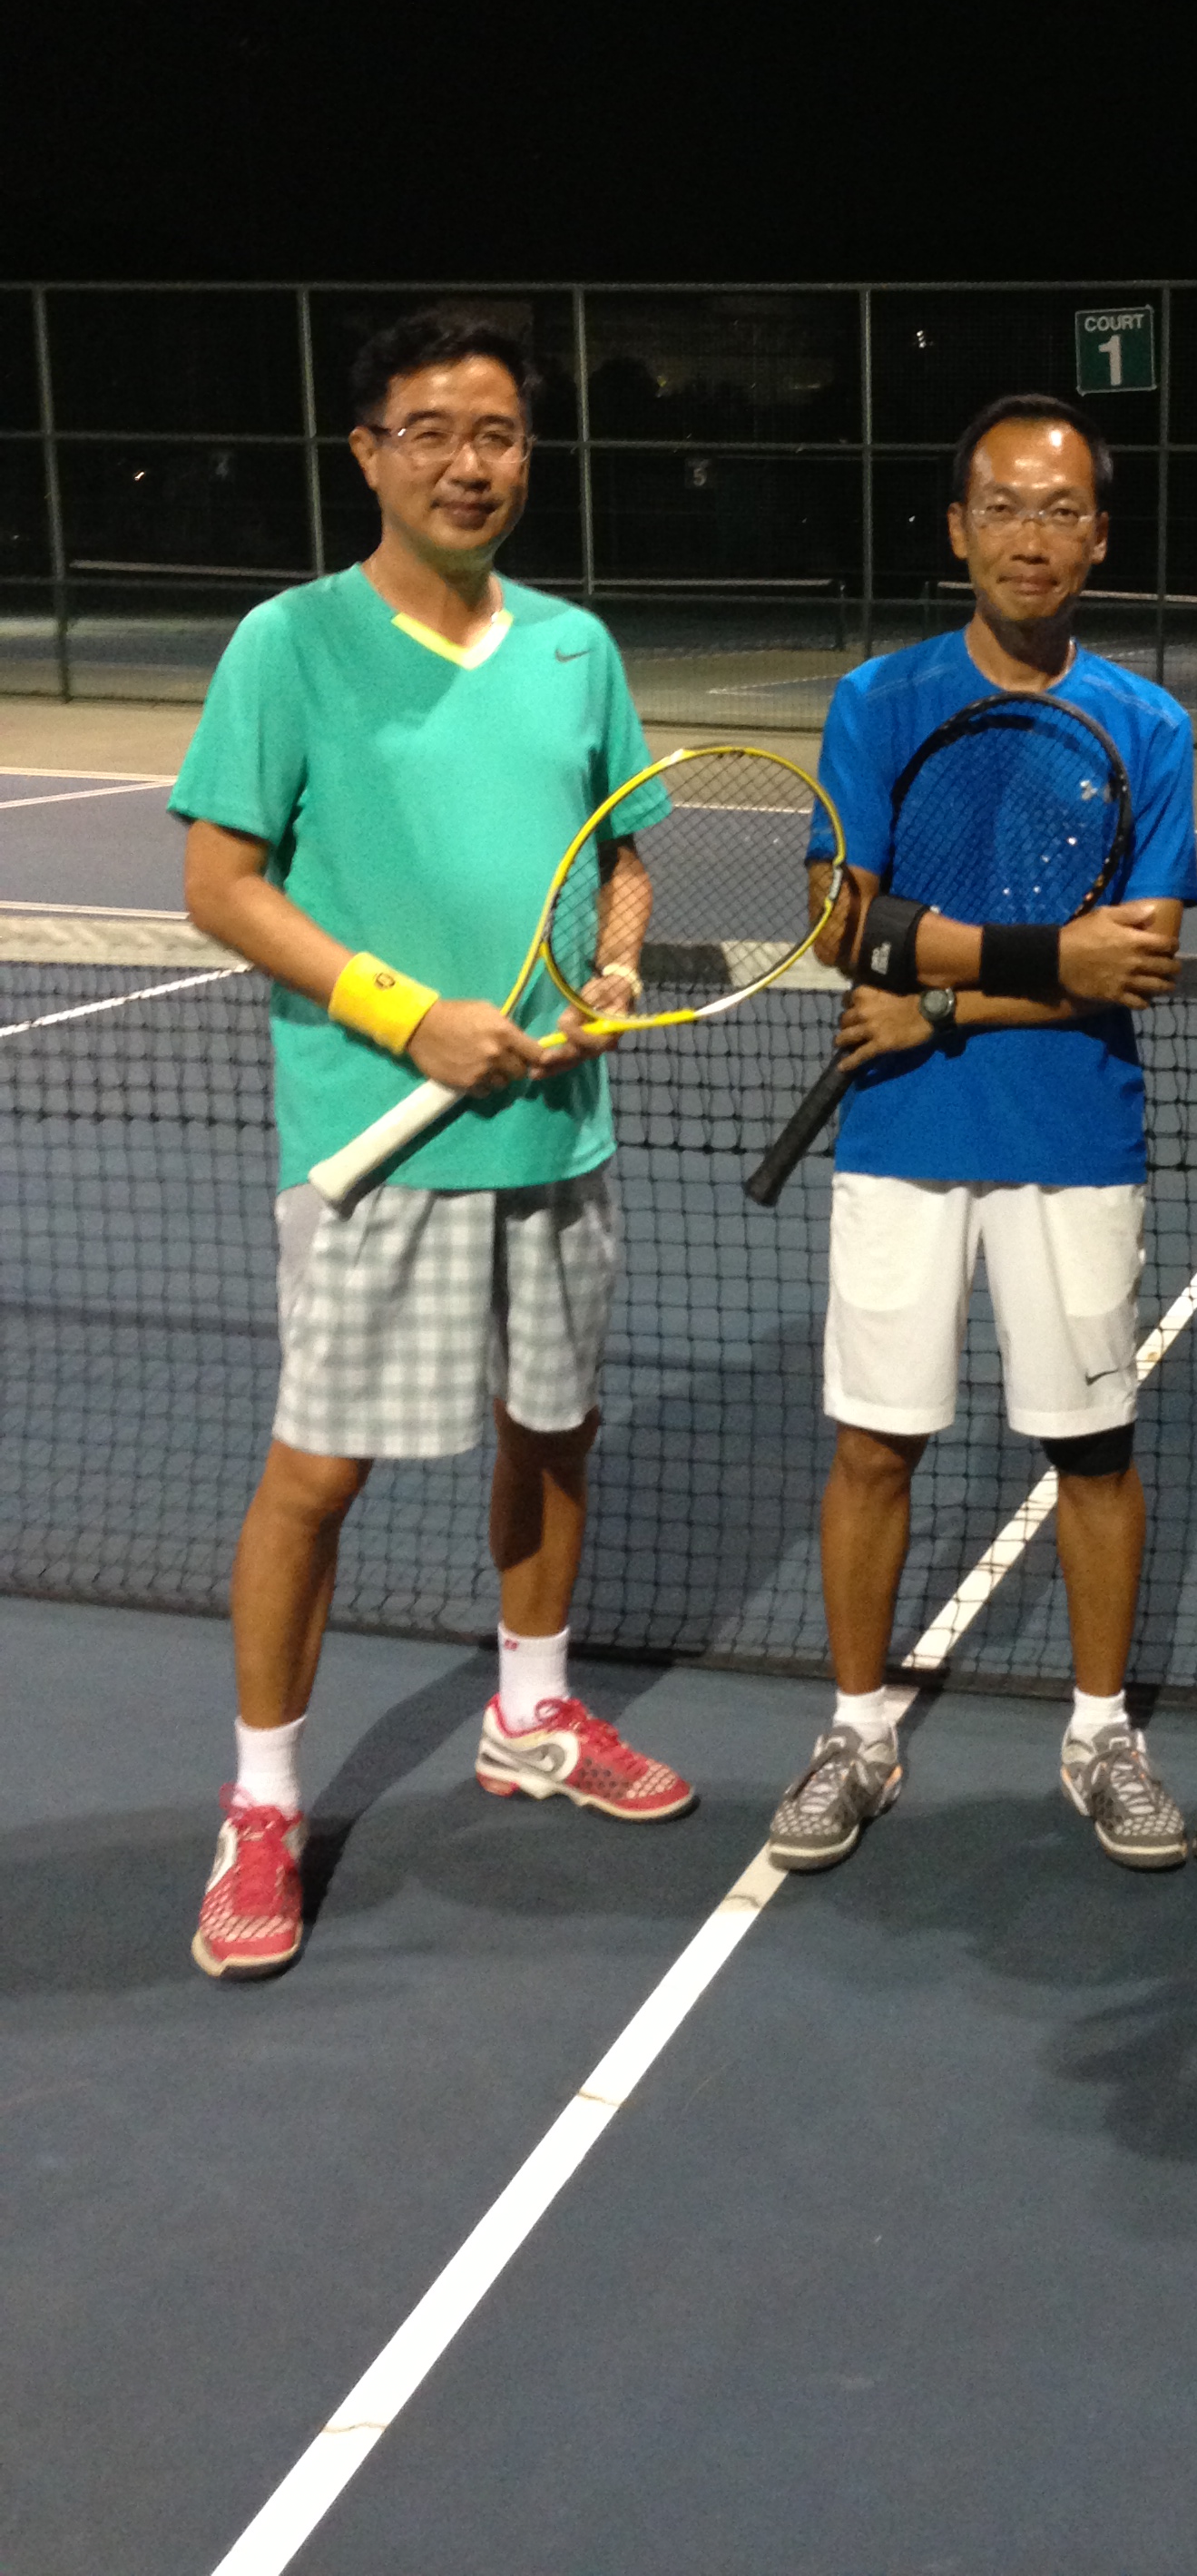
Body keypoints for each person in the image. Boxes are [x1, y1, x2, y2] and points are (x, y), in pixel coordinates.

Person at [174, 309, 694, 1983]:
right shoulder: (289, 644)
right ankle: (263, 1806)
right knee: (317, 1476)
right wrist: (410, 1017)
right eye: (432, 432)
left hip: (554, 1126)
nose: (469, 464)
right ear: (368, 454)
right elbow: (221, 885)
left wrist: (614, 969)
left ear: (528, 456)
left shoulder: (575, 648)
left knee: (553, 1432)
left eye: (498, 434)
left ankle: (532, 1713)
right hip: (379, 1140)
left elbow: (622, 849)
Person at [766, 393, 1197, 1873]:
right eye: (1005, 506)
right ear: (959, 529)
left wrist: (941, 998)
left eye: (1062, 510)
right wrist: (1040, 960)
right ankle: (856, 1730)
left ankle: (1101, 1733)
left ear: (1099, 537)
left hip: (1073, 1136)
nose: (1033, 535)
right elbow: (841, 923)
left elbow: (1133, 962)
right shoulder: (879, 701)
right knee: (873, 1445)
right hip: (901, 1135)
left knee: (1094, 1451)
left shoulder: (1148, 725)